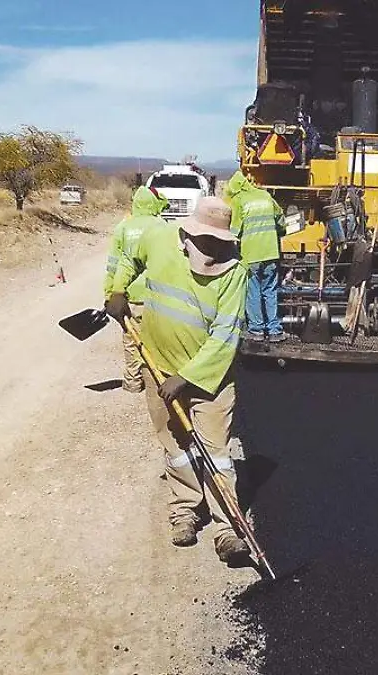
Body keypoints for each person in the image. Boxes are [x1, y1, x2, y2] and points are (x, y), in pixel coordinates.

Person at [105, 196, 253, 565]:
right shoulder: (160, 244)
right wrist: (119, 290)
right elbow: (125, 258)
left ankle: (227, 529)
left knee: (216, 454)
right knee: (176, 448)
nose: (213, 249)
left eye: (220, 243)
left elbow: (225, 335)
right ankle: (185, 510)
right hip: (157, 367)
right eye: (206, 241)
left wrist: (185, 378)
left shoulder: (235, 273)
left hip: (208, 379)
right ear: (188, 234)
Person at [103, 186, 168, 394]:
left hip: (129, 295)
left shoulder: (123, 227)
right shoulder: (162, 226)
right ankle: (158, 378)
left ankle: (133, 381)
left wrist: (111, 293)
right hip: (156, 294)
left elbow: (114, 263)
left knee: (131, 339)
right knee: (157, 338)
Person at [224, 170, 286, 342]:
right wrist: (280, 233)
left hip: (251, 256)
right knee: (270, 291)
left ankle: (257, 330)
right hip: (271, 252)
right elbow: (280, 219)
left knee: (253, 292)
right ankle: (274, 330)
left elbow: (234, 231)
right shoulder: (265, 196)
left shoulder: (238, 200)